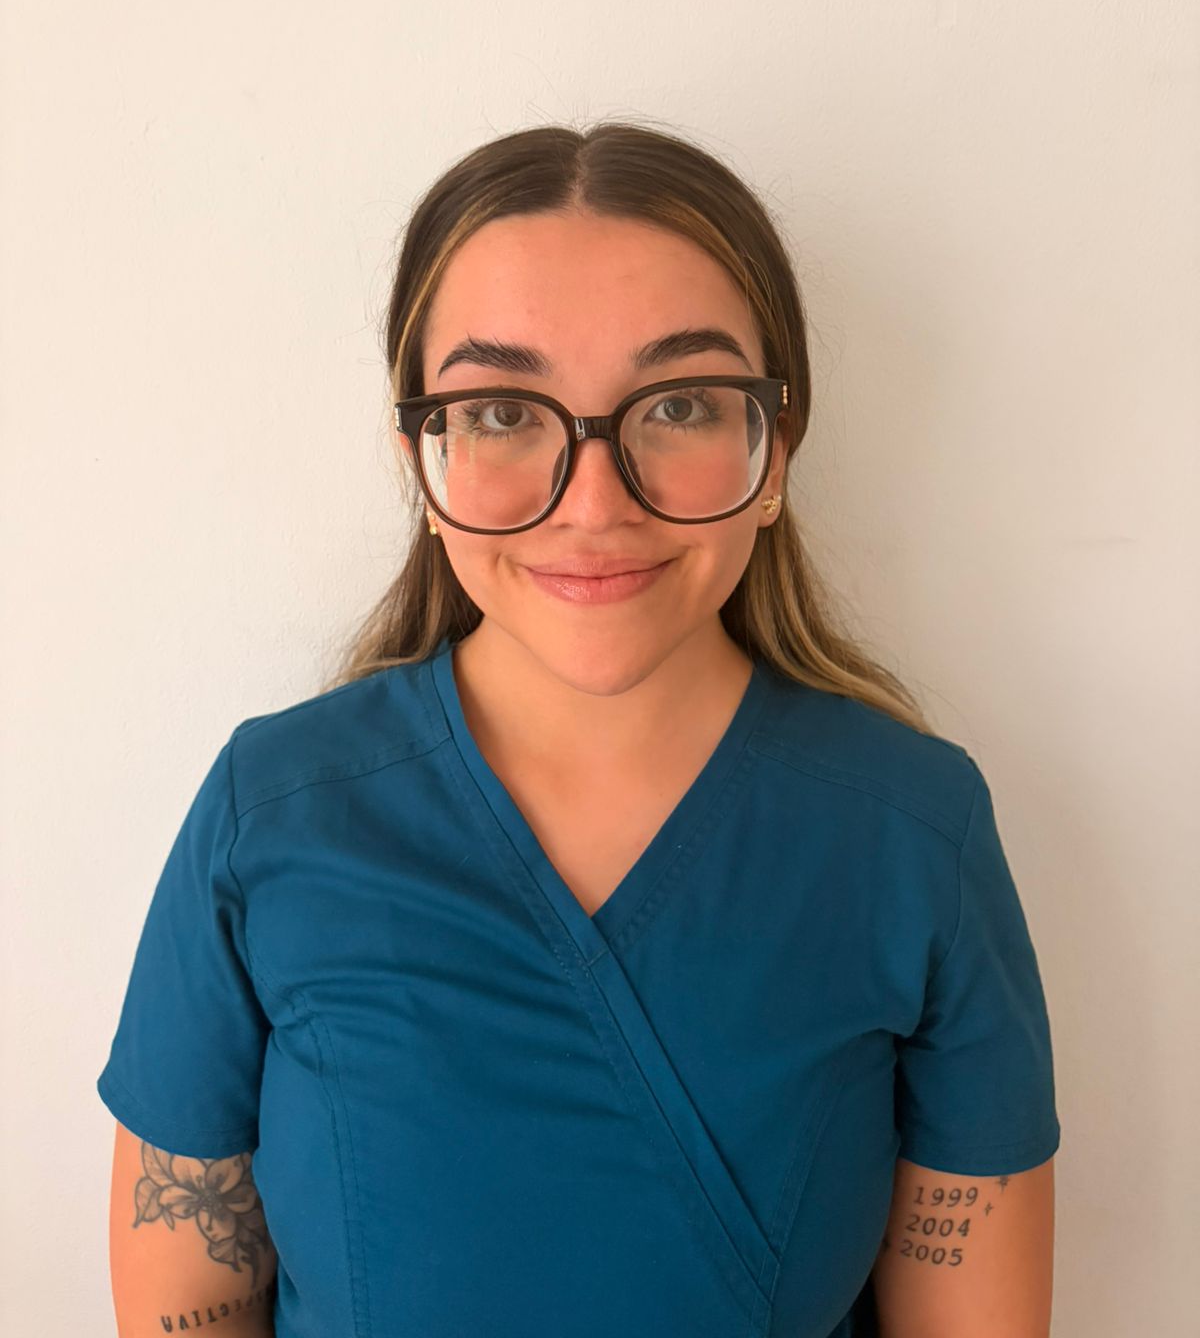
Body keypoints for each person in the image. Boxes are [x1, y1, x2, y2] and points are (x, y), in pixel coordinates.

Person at [98, 121, 1060, 1337]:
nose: (595, 505)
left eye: (682, 403)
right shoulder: (270, 813)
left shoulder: (915, 833)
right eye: (504, 411)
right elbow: (192, 1298)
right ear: (421, 461)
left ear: (774, 450)